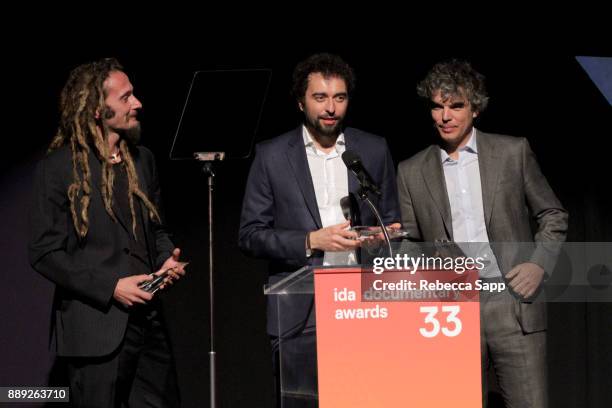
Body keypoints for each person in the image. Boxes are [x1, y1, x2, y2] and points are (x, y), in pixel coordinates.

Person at [397, 59, 568, 407]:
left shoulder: (511, 152)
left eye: (456, 106)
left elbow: (553, 214)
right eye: (437, 106)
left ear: (475, 108)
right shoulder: (411, 170)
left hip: (512, 303)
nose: (445, 116)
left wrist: (538, 264)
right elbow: (411, 242)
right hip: (452, 310)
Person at [239, 53, 400, 405]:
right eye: (320, 97)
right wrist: (310, 241)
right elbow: (250, 235)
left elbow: (391, 222)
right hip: (299, 313)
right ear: (300, 102)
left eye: (339, 98)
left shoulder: (372, 149)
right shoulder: (272, 155)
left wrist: (381, 238)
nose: (331, 108)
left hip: (363, 305)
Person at [28, 58, 186, 407]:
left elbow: (156, 228)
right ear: (99, 110)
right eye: (126, 97)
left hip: (148, 325)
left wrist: (166, 258)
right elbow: (44, 252)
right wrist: (111, 287)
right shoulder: (59, 169)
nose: (138, 104)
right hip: (95, 331)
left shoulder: (142, 160)